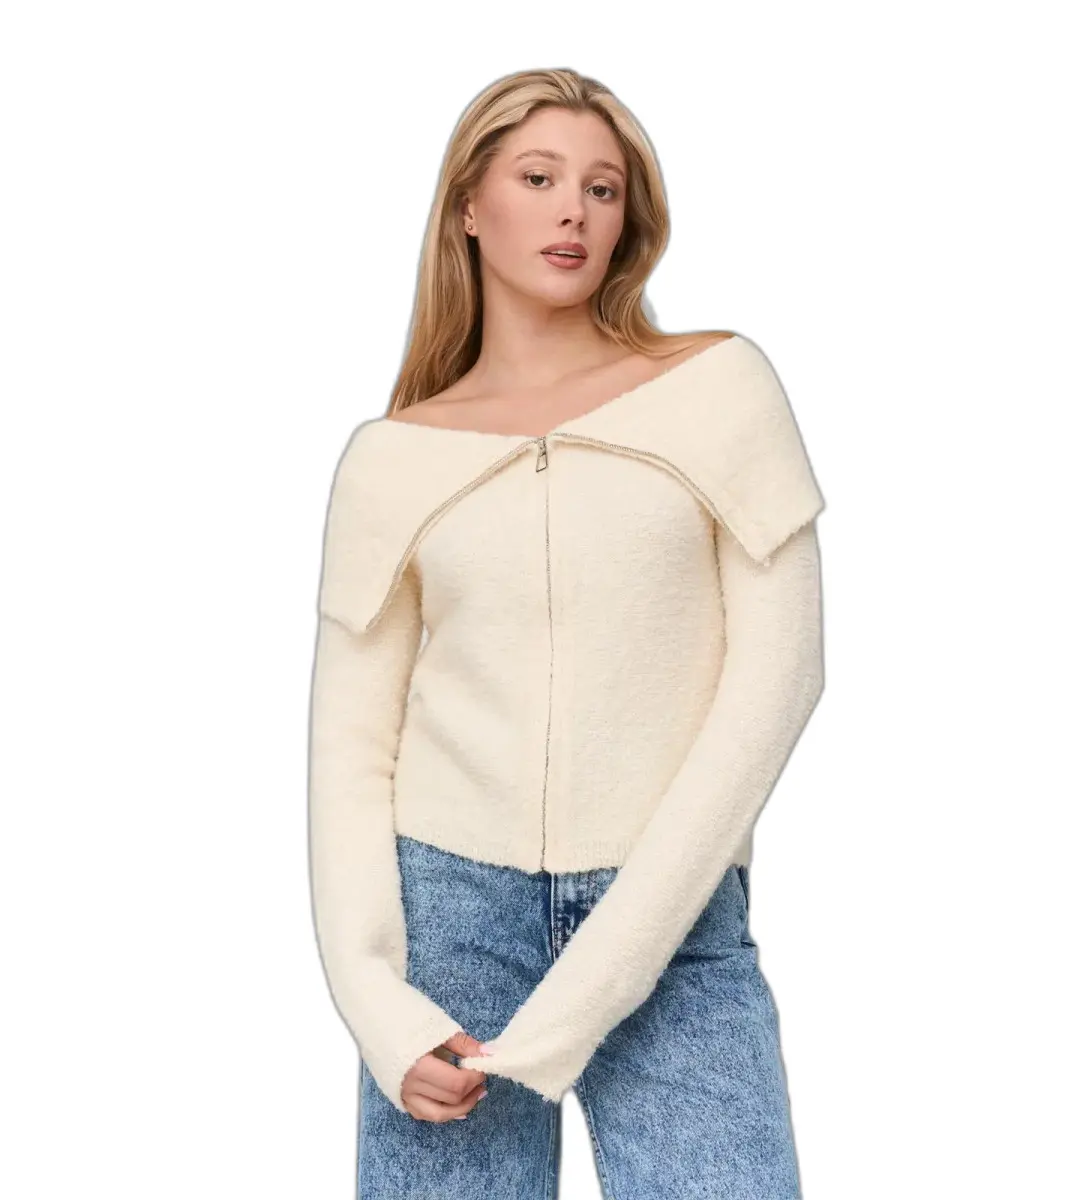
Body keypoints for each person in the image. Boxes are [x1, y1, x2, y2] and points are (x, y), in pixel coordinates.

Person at [308, 67, 825, 1200]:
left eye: (602, 188)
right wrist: (379, 1005)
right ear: (469, 206)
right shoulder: (392, 459)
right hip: (451, 929)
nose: (573, 213)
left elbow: (781, 675)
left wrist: (608, 965)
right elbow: (350, 749)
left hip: (672, 917)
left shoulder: (717, 390)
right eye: (538, 179)